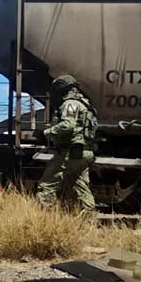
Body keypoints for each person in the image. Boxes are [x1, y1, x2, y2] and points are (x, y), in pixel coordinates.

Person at [37, 74, 98, 212]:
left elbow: (68, 125)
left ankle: (45, 220)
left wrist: (47, 132)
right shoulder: (86, 104)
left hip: (70, 151)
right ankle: (88, 221)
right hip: (85, 151)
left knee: (47, 185)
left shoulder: (70, 103)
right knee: (80, 185)